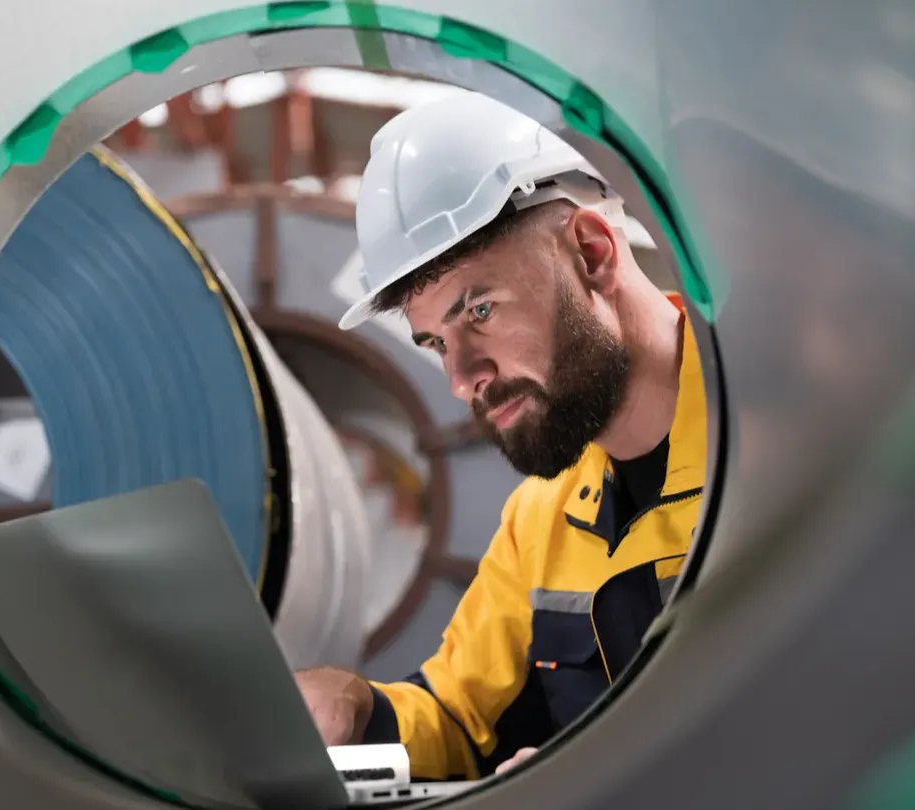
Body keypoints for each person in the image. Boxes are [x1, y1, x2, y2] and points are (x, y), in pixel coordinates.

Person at [296, 91, 708, 781]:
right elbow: (457, 717)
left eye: (480, 311)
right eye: (436, 342)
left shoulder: (776, 454)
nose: (462, 379)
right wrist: (360, 709)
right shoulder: (541, 523)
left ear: (592, 253)